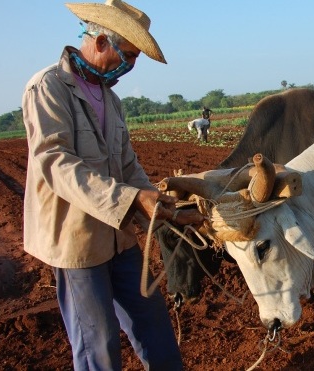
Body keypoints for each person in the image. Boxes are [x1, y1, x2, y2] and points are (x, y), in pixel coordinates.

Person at [22, 1, 203, 369]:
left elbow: (127, 165)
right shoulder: (48, 88)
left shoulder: (111, 99)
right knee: (98, 345)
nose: (131, 65)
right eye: (130, 54)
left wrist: (164, 208)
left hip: (119, 238)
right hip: (77, 243)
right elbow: (56, 164)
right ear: (102, 40)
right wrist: (134, 198)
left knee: (154, 326)